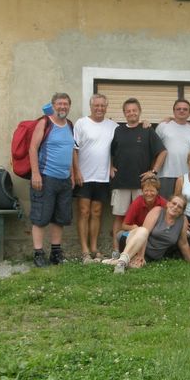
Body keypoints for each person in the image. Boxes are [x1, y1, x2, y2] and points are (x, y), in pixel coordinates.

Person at [110, 98, 167, 256]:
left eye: (134, 110)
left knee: (142, 218)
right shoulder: (118, 130)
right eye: (128, 111)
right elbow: (110, 152)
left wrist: (153, 171)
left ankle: (139, 251)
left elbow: (163, 152)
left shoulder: (147, 130)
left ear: (139, 111)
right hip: (121, 182)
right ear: (124, 113)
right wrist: (110, 166)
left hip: (142, 183)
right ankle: (116, 250)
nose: (131, 113)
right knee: (119, 217)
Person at [28, 93, 75, 267]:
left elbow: (69, 151)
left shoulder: (69, 125)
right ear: (53, 106)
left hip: (64, 180)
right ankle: (38, 253)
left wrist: (71, 174)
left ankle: (56, 253)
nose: (63, 106)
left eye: (66, 104)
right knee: (41, 217)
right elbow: (33, 148)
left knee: (59, 218)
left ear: (69, 106)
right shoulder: (45, 123)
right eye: (59, 104)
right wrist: (35, 173)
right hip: (45, 177)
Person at [73, 93, 118, 264]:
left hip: (102, 177)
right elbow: (74, 149)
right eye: (96, 105)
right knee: (84, 212)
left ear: (106, 107)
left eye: (102, 106)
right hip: (84, 176)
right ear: (91, 106)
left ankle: (94, 247)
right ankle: (84, 250)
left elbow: (115, 148)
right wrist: (76, 171)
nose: (99, 108)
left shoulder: (113, 126)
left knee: (97, 212)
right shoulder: (81, 123)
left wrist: (112, 165)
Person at [110, 194, 190, 274]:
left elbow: (183, 243)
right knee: (143, 231)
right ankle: (122, 262)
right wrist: (140, 255)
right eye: (174, 203)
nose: (175, 207)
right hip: (133, 242)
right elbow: (145, 234)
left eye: (179, 207)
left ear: (182, 211)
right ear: (168, 203)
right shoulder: (158, 211)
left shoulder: (183, 220)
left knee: (136, 266)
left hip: (151, 256)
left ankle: (112, 261)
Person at [155, 99, 190, 200]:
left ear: (189, 112)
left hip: (186, 175)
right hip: (165, 175)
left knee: (183, 204)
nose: (181, 111)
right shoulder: (163, 126)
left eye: (185, 109)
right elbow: (154, 150)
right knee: (165, 204)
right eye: (178, 109)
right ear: (174, 111)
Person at [116, 176, 167, 254]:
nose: (149, 194)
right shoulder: (137, 202)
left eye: (152, 191)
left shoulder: (163, 203)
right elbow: (124, 225)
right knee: (120, 235)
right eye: (146, 191)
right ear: (142, 191)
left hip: (155, 235)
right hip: (139, 234)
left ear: (157, 192)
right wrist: (133, 227)